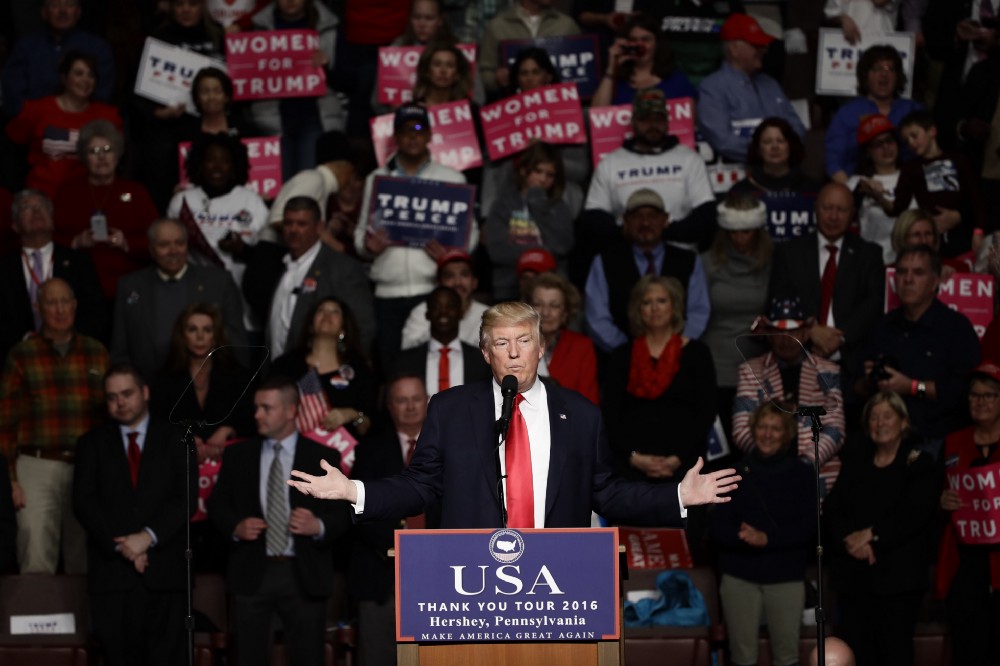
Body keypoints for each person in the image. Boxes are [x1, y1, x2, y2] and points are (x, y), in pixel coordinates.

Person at [287, 301, 742, 528]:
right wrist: (354, 490)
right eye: (501, 344)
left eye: (524, 341)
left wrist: (677, 496)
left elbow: (608, 494)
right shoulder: (450, 409)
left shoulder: (581, 415)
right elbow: (420, 485)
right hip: (472, 584)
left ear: (541, 348)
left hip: (556, 586)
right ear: (486, 354)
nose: (514, 353)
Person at [208, 376, 351, 666]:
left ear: (290, 411)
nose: (257, 414)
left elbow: (344, 514)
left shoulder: (322, 457)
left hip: (303, 572)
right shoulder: (238, 454)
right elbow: (217, 505)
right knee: (248, 657)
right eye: (256, 407)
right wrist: (235, 527)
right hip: (252, 571)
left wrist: (318, 526)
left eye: (266, 408)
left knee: (308, 657)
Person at [73, 364, 195, 666]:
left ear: (145, 392)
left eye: (127, 394)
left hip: (165, 574)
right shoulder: (90, 444)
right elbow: (84, 503)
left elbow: (186, 498)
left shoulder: (178, 438)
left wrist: (147, 538)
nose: (120, 403)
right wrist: (125, 546)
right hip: (112, 575)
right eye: (112, 397)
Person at [0, 278, 108, 574]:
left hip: (85, 467)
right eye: (51, 302)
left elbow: (108, 420)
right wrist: (10, 478)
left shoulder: (96, 352)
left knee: (84, 554)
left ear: (75, 305)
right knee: (34, 550)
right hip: (35, 464)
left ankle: (83, 622)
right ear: (38, 307)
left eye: (65, 302)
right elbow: (5, 422)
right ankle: (36, 618)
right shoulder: (22, 354)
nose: (60, 310)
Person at [823, 391, 937, 666]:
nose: (880, 423)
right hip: (855, 580)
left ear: (903, 422)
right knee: (857, 654)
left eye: (887, 416)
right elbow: (832, 510)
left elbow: (914, 514)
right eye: (873, 417)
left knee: (894, 655)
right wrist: (851, 541)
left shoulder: (920, 462)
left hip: (899, 583)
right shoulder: (856, 462)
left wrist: (872, 535)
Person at [354, 104, 471, 371]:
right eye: (406, 130)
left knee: (434, 367)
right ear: (395, 136)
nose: (413, 136)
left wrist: (450, 255)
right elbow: (360, 236)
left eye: (419, 129)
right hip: (387, 293)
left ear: (430, 135)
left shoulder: (452, 179)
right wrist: (367, 246)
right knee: (393, 369)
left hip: (433, 290)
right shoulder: (377, 179)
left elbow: (469, 237)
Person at [710, 402, 815, 666]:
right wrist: (743, 537)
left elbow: (809, 528)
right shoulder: (734, 472)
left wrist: (767, 539)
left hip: (786, 577)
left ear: (787, 434)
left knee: (787, 657)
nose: (768, 434)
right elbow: (716, 528)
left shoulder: (802, 474)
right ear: (753, 430)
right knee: (742, 657)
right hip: (739, 577)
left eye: (776, 429)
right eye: (762, 427)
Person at [768, 183, 885, 403]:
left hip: (851, 368)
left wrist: (838, 339)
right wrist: (810, 331)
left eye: (841, 210)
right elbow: (777, 301)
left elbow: (874, 303)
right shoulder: (789, 252)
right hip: (797, 362)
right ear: (815, 209)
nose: (833, 216)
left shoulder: (869, 254)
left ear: (853, 215)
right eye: (827, 208)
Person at [862, 244, 981, 457]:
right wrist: (870, 380)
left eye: (918, 272)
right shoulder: (883, 327)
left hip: (938, 442)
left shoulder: (956, 328)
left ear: (935, 281)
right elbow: (859, 389)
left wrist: (912, 387)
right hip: (887, 442)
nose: (908, 279)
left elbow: (965, 392)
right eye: (902, 272)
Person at [348, 374, 430, 666]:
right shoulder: (370, 450)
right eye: (401, 400)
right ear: (389, 406)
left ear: (428, 402)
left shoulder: (450, 450)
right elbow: (360, 507)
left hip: (440, 574)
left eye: (416, 399)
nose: (410, 407)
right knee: (378, 656)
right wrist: (401, 547)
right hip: (382, 575)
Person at [602, 276, 716, 481]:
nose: (655, 308)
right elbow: (610, 414)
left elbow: (706, 412)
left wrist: (678, 457)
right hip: (632, 467)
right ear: (638, 310)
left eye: (662, 301)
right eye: (647, 302)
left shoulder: (698, 353)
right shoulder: (621, 356)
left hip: (685, 465)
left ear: (674, 306)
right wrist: (634, 457)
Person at [238, 196, 376, 359]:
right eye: (288, 223)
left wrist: (339, 369)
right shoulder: (277, 265)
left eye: (302, 224)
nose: (294, 230)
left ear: (319, 228)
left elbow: (364, 328)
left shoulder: (343, 269)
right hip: (279, 375)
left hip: (320, 376)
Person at [112, 218, 247, 382]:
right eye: (164, 245)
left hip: (208, 388)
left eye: (179, 243)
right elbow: (120, 349)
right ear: (152, 249)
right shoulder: (130, 286)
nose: (173, 250)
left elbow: (238, 344)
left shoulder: (219, 282)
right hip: (149, 387)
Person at [732, 297, 845, 490]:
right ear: (768, 333)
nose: (786, 339)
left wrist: (804, 465)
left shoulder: (827, 371)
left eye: (792, 331)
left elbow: (835, 430)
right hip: (763, 473)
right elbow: (741, 429)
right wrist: (772, 463)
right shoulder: (751, 370)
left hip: (817, 476)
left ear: (806, 332)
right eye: (779, 332)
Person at [585, 188, 711, 353]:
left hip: (680, 355)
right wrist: (631, 351)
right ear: (626, 221)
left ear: (665, 220)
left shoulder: (689, 260)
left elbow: (699, 311)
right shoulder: (604, 261)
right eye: (637, 216)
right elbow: (597, 319)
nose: (645, 223)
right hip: (621, 359)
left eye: (653, 216)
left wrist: (675, 347)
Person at [167, 132, 269, 329]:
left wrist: (242, 250)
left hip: (241, 302)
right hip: (194, 298)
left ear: (235, 165)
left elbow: (267, 258)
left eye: (225, 161)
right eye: (210, 160)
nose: (217, 167)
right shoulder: (182, 202)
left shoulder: (251, 201)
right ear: (199, 164)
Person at [936, 362, 1000, 666]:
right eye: (975, 395)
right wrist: (943, 501)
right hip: (966, 564)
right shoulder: (953, 442)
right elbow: (935, 499)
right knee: (968, 648)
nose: (980, 401)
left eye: (989, 395)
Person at [53, 119, 158, 302]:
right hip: (78, 289)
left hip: (130, 288)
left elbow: (157, 240)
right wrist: (76, 241)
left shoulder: (136, 192)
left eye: (108, 150)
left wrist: (126, 243)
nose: (102, 157)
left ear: (117, 156)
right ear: (84, 158)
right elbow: (49, 238)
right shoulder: (68, 191)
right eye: (94, 151)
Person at [0, 188, 106, 358]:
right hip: (16, 356)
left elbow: (96, 313)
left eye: (42, 206)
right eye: (27, 207)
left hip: (73, 354)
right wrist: (28, 340)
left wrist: (64, 339)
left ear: (53, 219)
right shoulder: (4, 269)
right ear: (14, 224)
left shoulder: (79, 262)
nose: (36, 211)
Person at [6, 50, 123, 197]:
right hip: (43, 197)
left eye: (91, 75)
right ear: (64, 77)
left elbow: (118, 160)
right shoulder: (37, 110)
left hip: (90, 198)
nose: (85, 80)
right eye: (78, 73)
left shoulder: (108, 116)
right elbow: (10, 152)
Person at [249, 0, 345, 179]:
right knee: (280, 187)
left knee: (306, 182)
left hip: (313, 117)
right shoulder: (257, 29)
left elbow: (347, 82)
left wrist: (327, 66)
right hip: (271, 120)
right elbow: (245, 77)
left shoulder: (328, 26)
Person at [701, 194, 772, 434]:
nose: (739, 238)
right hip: (715, 367)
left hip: (758, 367)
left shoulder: (773, 263)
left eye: (746, 231)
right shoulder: (706, 263)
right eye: (734, 232)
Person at [875, 109, 987, 258]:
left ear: (932, 131)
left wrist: (978, 230)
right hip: (931, 239)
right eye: (907, 141)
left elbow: (976, 199)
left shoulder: (959, 159)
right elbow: (898, 208)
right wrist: (878, 196)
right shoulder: (911, 169)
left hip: (963, 235)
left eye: (914, 136)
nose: (912, 143)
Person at [696, 13, 805, 164]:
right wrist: (768, 154)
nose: (764, 49)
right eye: (756, 45)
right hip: (739, 177)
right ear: (734, 50)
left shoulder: (770, 84)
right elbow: (724, 141)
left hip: (781, 174)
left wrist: (781, 152)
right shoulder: (712, 88)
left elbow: (797, 129)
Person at [269, 297, 377, 439]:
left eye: (335, 312)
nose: (327, 315)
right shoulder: (285, 365)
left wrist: (351, 414)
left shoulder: (358, 368)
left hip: (343, 454)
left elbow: (370, 426)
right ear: (310, 324)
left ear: (344, 328)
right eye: (321, 311)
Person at [484, 141, 579, 300]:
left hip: (551, 289)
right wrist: (541, 252)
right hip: (509, 287)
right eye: (538, 171)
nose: (543, 179)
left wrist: (537, 203)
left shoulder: (559, 207)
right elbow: (497, 251)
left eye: (550, 175)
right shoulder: (503, 204)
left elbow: (562, 246)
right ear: (523, 170)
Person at [1, 0, 115, 119]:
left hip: (82, 126)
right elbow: (13, 95)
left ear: (78, 12)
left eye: (69, 4)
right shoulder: (25, 48)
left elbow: (102, 97)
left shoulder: (98, 48)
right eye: (55, 5)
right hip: (34, 125)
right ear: (44, 12)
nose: (63, 11)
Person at [825, 45, 923, 183]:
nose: (884, 74)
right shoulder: (847, 112)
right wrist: (851, 191)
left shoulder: (913, 109)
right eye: (877, 68)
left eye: (890, 69)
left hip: (909, 184)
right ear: (865, 76)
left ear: (898, 76)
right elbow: (833, 160)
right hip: (859, 186)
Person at [729, 117, 821, 237]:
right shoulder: (740, 192)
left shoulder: (813, 190)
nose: (774, 147)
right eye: (767, 142)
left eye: (781, 141)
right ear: (758, 149)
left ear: (790, 146)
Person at [394, 287, 492, 397]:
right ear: (427, 314)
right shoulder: (407, 361)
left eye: (450, 307)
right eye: (436, 307)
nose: (443, 312)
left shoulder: (481, 361)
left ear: (461, 313)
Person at [478, 0, 581, 98]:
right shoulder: (498, 26)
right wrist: (496, 79)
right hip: (515, 108)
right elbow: (483, 75)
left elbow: (586, 72)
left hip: (559, 107)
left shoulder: (567, 25)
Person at [593, 13, 697, 108]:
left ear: (657, 43)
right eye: (633, 40)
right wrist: (612, 67)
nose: (639, 45)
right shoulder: (615, 81)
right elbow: (597, 115)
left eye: (645, 40)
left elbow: (688, 120)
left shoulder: (676, 80)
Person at [848, 114, 911, 264]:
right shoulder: (856, 182)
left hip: (910, 264)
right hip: (872, 263)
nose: (886, 147)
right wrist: (861, 191)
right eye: (878, 144)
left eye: (889, 141)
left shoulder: (913, 176)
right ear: (868, 152)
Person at [528, 272, 599, 405]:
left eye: (554, 306)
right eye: (538, 304)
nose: (546, 313)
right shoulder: (514, 344)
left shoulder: (582, 347)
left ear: (565, 313)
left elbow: (588, 404)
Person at [400, 250, 489, 350]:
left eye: (464, 275)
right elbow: (408, 355)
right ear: (439, 284)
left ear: (474, 282)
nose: (457, 282)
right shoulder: (421, 312)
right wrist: (439, 321)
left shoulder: (489, 316)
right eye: (449, 276)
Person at [412, 41, 474, 107]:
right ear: (427, 72)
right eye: (437, 64)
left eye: (450, 65)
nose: (443, 70)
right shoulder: (413, 109)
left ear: (458, 74)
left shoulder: (470, 109)